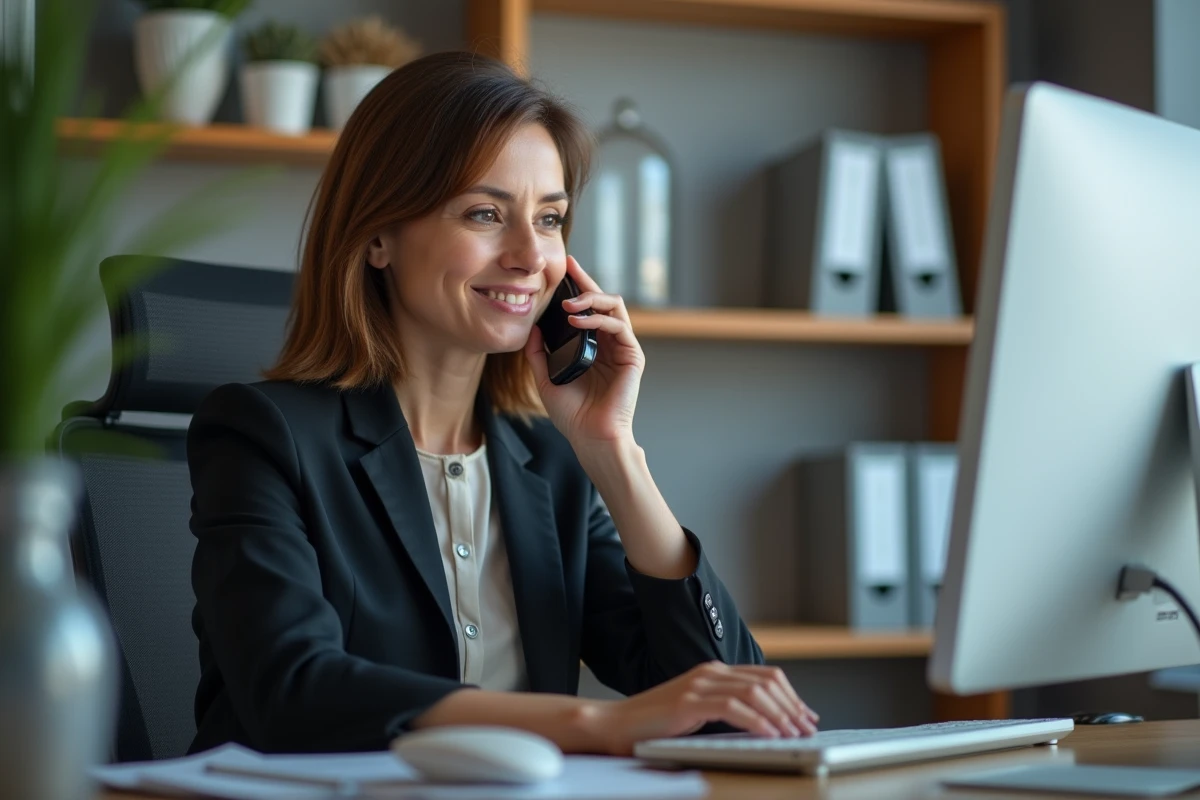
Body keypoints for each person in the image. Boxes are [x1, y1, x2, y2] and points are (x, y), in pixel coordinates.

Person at [186, 50, 818, 756]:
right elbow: (292, 690)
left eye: (549, 220)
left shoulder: (549, 460)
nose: (529, 256)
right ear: (377, 237)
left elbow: (725, 704)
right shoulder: (261, 435)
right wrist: (595, 723)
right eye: (487, 213)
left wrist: (616, 456)